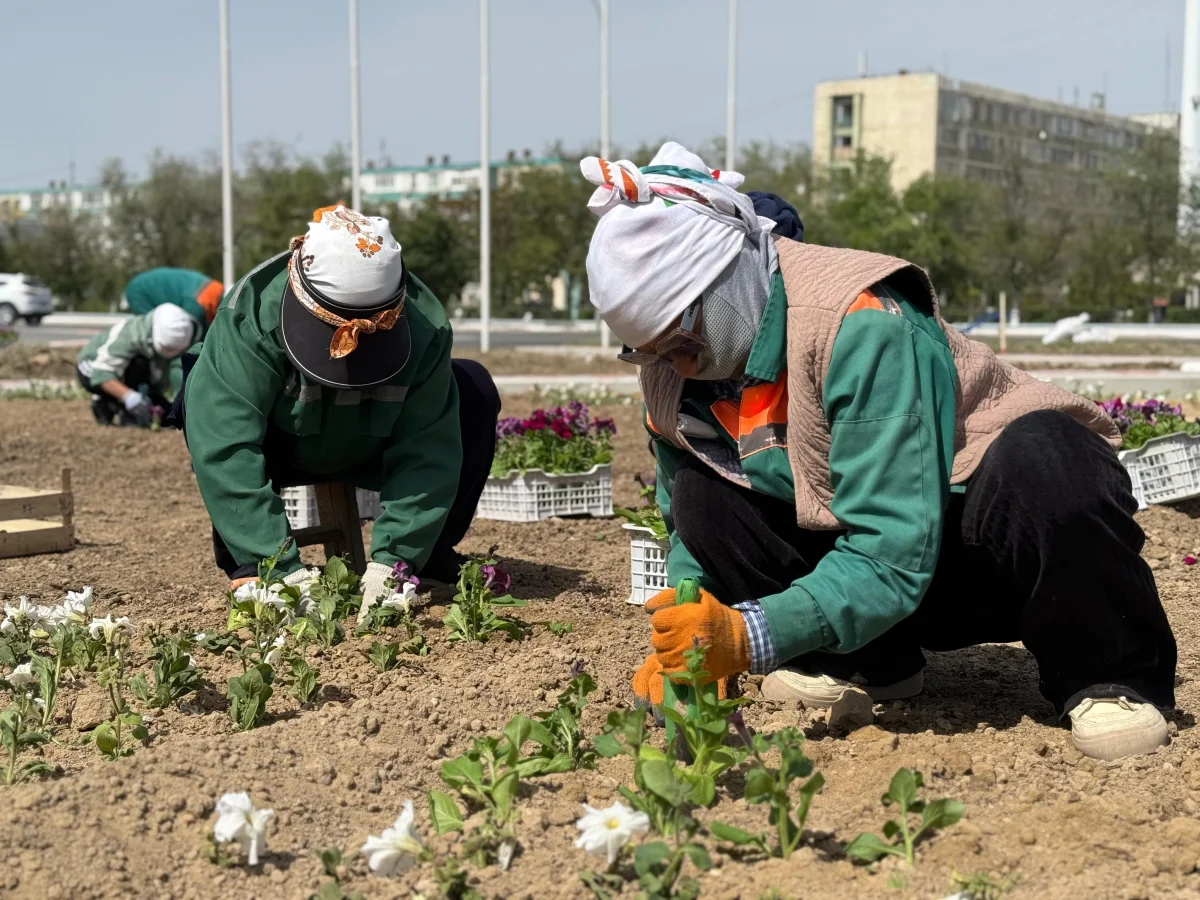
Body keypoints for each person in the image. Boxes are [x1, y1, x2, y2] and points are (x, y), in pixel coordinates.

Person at [583, 142, 1177, 761]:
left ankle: (1107, 673)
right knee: (707, 499)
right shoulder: (674, 367)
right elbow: (686, 520)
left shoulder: (862, 321)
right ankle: (872, 663)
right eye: (644, 351)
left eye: (681, 338)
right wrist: (689, 626)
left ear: (729, 280)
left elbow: (895, 548)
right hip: (876, 563)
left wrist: (750, 635)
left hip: (987, 556)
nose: (670, 363)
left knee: (1050, 456)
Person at [174, 206, 499, 609]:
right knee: (197, 388)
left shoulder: (423, 327)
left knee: (473, 387)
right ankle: (250, 566)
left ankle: (427, 555)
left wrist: (397, 560)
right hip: (282, 447)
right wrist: (275, 565)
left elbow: (430, 448)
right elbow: (227, 446)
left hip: (369, 444)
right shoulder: (252, 315)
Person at [77, 304, 197, 426]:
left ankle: (127, 406)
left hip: (128, 376)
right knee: (139, 364)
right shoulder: (130, 335)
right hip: (91, 368)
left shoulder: (186, 332)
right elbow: (101, 374)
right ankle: (106, 402)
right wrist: (129, 396)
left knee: (167, 417)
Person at [121, 267, 224, 335]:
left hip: (197, 300)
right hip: (214, 288)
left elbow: (151, 328)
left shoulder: (134, 293)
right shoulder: (142, 283)